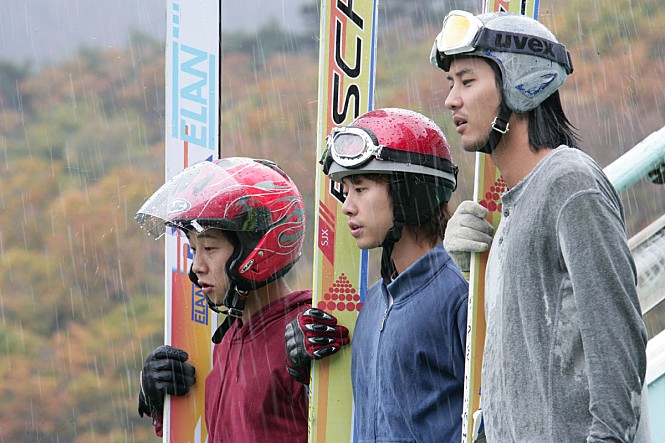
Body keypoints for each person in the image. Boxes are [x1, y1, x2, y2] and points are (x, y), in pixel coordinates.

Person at [431, 10, 649, 442]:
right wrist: (473, 272)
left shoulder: (570, 183)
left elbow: (616, 343)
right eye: (451, 83)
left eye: (467, 81)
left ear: (521, 82)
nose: (451, 99)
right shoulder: (516, 207)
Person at [133, 157, 349, 442]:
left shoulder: (310, 333)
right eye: (194, 249)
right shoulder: (228, 339)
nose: (197, 266)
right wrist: (162, 406)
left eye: (210, 248)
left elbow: (348, 425)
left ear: (257, 248)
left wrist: (320, 376)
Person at [288, 107, 468, 442]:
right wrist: (305, 374)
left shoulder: (461, 291)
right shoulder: (373, 302)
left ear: (410, 190)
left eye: (360, 188)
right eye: (346, 190)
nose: (347, 206)